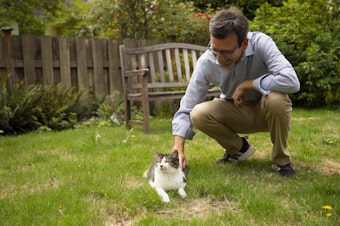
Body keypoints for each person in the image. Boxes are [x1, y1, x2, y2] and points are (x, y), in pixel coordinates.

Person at [171, 7, 300, 177]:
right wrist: (177, 148)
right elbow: (187, 106)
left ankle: (281, 160)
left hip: (267, 112)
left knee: (276, 98)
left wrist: (249, 84)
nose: (219, 58)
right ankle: (238, 150)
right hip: (234, 112)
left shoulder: (261, 43)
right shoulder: (207, 61)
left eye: (226, 52)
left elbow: (291, 81)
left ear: (244, 44)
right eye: (215, 49)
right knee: (198, 113)